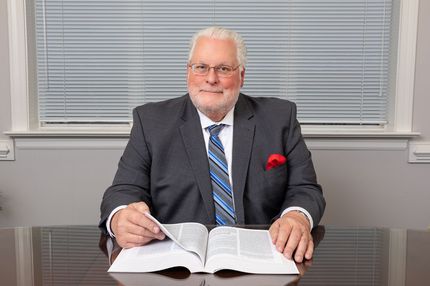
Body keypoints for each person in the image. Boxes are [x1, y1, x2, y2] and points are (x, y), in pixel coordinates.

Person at [100, 26, 325, 263]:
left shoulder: (279, 118)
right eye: (201, 67)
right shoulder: (151, 122)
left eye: (224, 69)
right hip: (175, 262)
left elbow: (305, 189)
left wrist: (297, 217)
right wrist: (119, 218)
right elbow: (122, 191)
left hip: (264, 256)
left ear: (242, 76)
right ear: (188, 72)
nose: (211, 78)